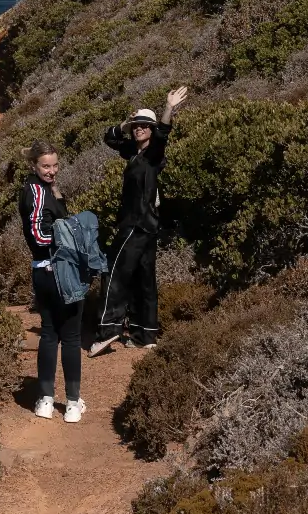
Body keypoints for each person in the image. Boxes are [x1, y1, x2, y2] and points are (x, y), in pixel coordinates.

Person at [90, 85, 189, 355]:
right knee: (143, 278)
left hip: (135, 224)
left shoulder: (153, 154)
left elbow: (163, 135)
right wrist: (126, 122)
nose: (139, 129)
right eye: (137, 126)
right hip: (147, 226)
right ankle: (144, 334)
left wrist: (168, 109)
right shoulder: (133, 152)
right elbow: (109, 138)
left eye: (144, 125)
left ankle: (107, 330)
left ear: (152, 128)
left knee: (114, 272)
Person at [17, 139, 85, 422]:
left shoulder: (41, 189)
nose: (52, 170)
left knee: (49, 333)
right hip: (59, 270)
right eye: (46, 166)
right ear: (34, 165)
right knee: (69, 336)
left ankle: (45, 400)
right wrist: (70, 243)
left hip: (41, 271)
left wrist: (57, 195)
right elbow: (38, 233)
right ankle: (70, 403)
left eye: (55, 165)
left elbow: (53, 217)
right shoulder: (36, 191)